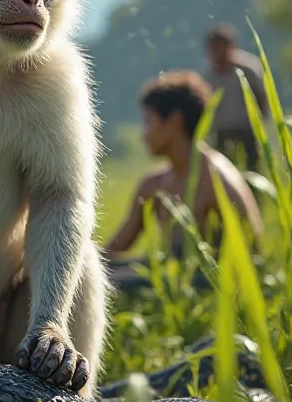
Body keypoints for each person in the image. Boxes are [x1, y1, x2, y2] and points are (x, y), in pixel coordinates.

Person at [101, 70, 263, 290]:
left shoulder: (218, 181)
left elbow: (251, 254)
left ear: (174, 121)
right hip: (171, 275)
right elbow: (111, 253)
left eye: (149, 122)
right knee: (95, 276)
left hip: (210, 282)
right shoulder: (154, 185)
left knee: (113, 281)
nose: (144, 133)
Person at [203, 24, 267, 171]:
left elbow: (261, 95)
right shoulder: (208, 76)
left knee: (252, 169)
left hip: (247, 129)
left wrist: (260, 122)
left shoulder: (247, 70)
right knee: (225, 172)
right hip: (222, 131)